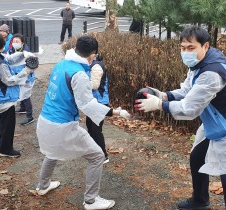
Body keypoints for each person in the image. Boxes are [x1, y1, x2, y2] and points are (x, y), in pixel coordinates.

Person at [135, 26, 226, 210]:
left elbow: (189, 109)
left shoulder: (211, 73)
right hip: (214, 122)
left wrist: (159, 105)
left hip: (223, 127)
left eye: (190, 48)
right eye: (183, 47)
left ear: (205, 46)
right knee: (197, 158)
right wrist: (164, 95)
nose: (185, 52)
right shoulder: (200, 63)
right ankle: (200, 201)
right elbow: (187, 90)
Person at [36, 35, 130, 210]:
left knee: (52, 152)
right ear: (92, 54)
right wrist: (117, 112)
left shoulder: (61, 64)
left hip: (45, 120)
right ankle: (91, 201)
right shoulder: (79, 74)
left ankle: (43, 186)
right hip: (63, 126)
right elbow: (87, 105)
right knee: (97, 156)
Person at [0, 32, 36, 158]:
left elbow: (9, 59)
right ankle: (6, 149)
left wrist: (23, 54)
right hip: (4, 97)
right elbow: (9, 80)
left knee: (0, 119)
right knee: (8, 124)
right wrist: (26, 71)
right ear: (2, 45)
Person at [86, 53, 110, 164]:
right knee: (90, 127)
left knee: (96, 130)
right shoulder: (90, 64)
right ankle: (95, 151)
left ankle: (103, 155)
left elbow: (95, 85)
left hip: (99, 102)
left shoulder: (96, 66)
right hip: (92, 101)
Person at [9, 33, 35, 125]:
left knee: (25, 96)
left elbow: (32, 66)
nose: (15, 43)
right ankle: (22, 108)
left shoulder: (27, 54)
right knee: (21, 93)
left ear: (22, 43)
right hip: (18, 77)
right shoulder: (12, 50)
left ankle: (29, 116)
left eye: (17, 41)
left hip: (27, 79)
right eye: (14, 41)